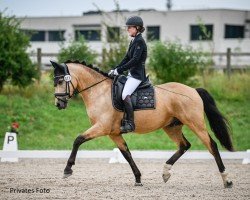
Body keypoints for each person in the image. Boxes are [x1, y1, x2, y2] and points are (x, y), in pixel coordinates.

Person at [108, 16, 147, 133]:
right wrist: (115, 69)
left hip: (137, 75)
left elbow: (134, 60)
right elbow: (126, 58)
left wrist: (119, 71)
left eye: (130, 27)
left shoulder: (140, 41)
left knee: (125, 94)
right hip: (131, 74)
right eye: (128, 27)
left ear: (137, 28)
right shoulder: (133, 41)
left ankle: (130, 123)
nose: (128, 29)